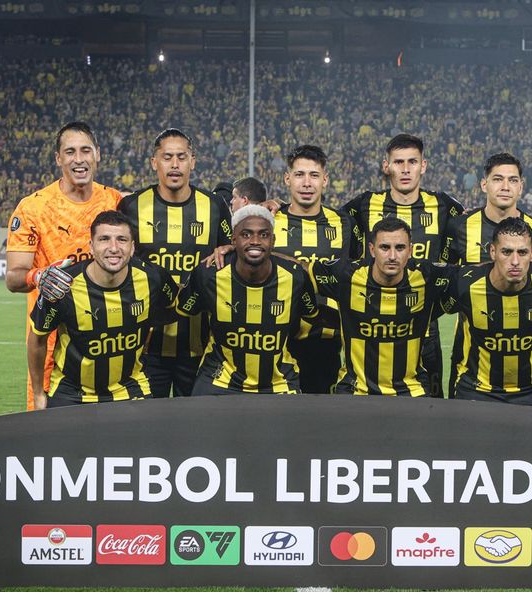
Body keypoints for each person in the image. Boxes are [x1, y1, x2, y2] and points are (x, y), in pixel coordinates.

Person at [5, 121, 122, 410]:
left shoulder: (116, 201)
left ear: (98, 155)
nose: (78, 159)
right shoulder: (33, 208)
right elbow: (14, 278)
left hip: (107, 336)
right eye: (70, 152)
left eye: (85, 150)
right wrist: (40, 275)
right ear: (59, 159)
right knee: (45, 434)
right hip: (51, 341)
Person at [341, 134, 465, 397]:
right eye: (398, 162)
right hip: (370, 326)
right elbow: (325, 219)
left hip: (424, 330)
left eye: (412, 161)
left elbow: (486, 224)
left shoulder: (445, 206)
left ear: (424, 165)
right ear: (387, 167)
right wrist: (278, 206)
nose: (406, 169)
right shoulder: (364, 204)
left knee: (429, 408)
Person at [117, 129, 232, 398]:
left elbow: (231, 254)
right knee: (145, 429)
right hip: (144, 346)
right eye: (167, 157)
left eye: (182, 157)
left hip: (200, 346)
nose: (175, 164)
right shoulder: (131, 206)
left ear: (193, 161)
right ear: (154, 162)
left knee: (193, 429)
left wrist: (230, 247)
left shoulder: (214, 206)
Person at [27, 211, 178, 408]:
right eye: (104, 239)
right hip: (71, 392)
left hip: (131, 388)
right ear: (91, 246)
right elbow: (37, 338)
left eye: (122, 240)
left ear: (132, 248)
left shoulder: (153, 278)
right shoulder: (62, 286)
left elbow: (168, 310)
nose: (113, 248)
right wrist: (38, 393)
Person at [441, 152, 532, 398]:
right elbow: (446, 280)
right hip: (471, 355)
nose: (505, 186)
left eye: (513, 180)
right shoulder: (459, 227)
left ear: (521, 186)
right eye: (497, 179)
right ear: (484, 184)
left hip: (524, 353)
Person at [177, 204, 319, 395]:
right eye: (246, 235)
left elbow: (312, 316)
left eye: (263, 235)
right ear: (233, 240)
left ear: (273, 240)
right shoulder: (208, 274)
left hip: (278, 382)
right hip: (219, 379)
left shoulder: (296, 278)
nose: (255, 241)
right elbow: (182, 310)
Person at [308, 216, 456, 397]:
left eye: (400, 248)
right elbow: (297, 272)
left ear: (410, 251)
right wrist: (313, 313)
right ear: (372, 249)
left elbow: (472, 277)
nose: (392, 256)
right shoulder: (346, 275)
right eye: (384, 247)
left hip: (412, 391)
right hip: (355, 391)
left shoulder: (427, 275)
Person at [442, 217, 532, 406]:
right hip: (478, 390)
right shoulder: (464, 285)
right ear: (493, 252)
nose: (515, 261)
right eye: (506, 252)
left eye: (522, 252)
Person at [274, 145, 363, 394]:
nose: (306, 183)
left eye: (314, 175)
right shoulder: (269, 221)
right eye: (300, 175)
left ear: (325, 180)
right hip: (280, 341)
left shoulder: (345, 223)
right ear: (287, 178)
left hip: (327, 341)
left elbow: (356, 272)